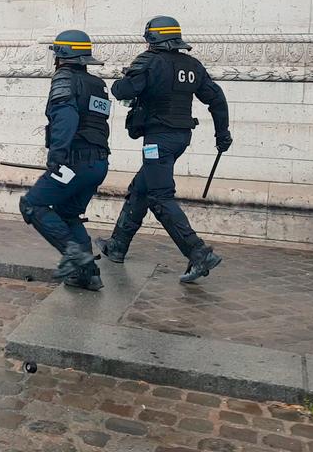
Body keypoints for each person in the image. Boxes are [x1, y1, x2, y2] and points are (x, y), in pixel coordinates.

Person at [96, 16, 232, 284]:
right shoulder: (192, 66)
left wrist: (129, 75)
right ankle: (117, 245)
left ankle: (198, 252)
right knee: (141, 189)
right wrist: (222, 133)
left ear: (153, 39)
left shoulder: (149, 62)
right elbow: (216, 98)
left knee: (159, 196)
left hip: (158, 139)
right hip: (181, 137)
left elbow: (121, 90)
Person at [18, 30, 111, 291]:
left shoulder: (64, 79)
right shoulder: (97, 85)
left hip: (74, 162)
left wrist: (56, 158)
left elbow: (66, 119)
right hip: (99, 163)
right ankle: (89, 275)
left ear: (63, 55)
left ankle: (73, 254)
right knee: (68, 213)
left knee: (32, 205)